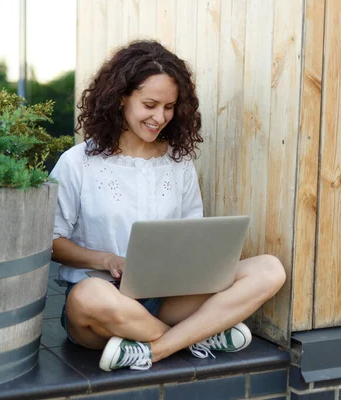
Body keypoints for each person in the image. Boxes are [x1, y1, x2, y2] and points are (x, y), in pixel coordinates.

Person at [49, 40, 286, 372]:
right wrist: (106, 259)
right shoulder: (78, 163)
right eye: (150, 104)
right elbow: (52, 243)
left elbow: (192, 234)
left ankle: (154, 350)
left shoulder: (179, 163)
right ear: (121, 98)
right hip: (105, 306)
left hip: (166, 300)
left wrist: (197, 263)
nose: (159, 117)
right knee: (89, 295)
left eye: (169, 107)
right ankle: (198, 338)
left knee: (269, 269)